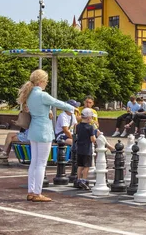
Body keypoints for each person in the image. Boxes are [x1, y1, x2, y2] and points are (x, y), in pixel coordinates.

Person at [19, 69, 74, 202]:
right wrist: (72, 108)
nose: (46, 83)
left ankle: (31, 191)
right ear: (41, 81)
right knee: (41, 164)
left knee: (34, 163)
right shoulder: (43, 95)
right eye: (46, 81)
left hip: (33, 130)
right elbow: (57, 102)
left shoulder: (29, 94)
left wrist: (48, 110)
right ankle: (38, 193)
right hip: (43, 131)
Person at [75, 108, 96, 190]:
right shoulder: (90, 127)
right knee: (86, 166)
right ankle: (84, 180)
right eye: (91, 117)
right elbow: (92, 139)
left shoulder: (78, 126)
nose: (92, 119)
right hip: (87, 149)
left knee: (80, 165)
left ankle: (78, 179)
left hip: (79, 148)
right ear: (88, 118)